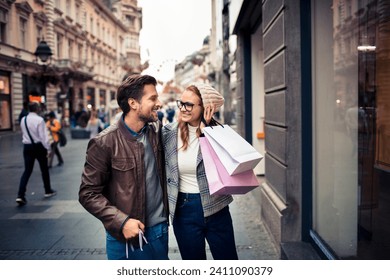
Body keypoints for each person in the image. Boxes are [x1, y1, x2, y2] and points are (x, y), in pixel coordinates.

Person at [79, 74, 169, 260]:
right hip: (124, 236)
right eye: (152, 98)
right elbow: (88, 193)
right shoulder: (104, 142)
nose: (159, 103)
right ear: (133, 103)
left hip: (159, 231)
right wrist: (122, 222)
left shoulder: (156, 132)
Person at [162, 83, 238, 260]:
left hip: (216, 206)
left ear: (204, 108)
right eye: (181, 103)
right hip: (183, 208)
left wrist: (206, 134)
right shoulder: (168, 133)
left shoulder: (218, 133)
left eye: (189, 105)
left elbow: (225, 167)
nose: (183, 108)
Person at [17, 102, 57, 205]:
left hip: (27, 147)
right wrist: (48, 149)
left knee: (27, 171)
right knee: (44, 169)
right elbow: (43, 137)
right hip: (38, 147)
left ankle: (20, 195)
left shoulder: (23, 119)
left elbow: (23, 133)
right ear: (37, 109)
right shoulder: (39, 120)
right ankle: (47, 190)